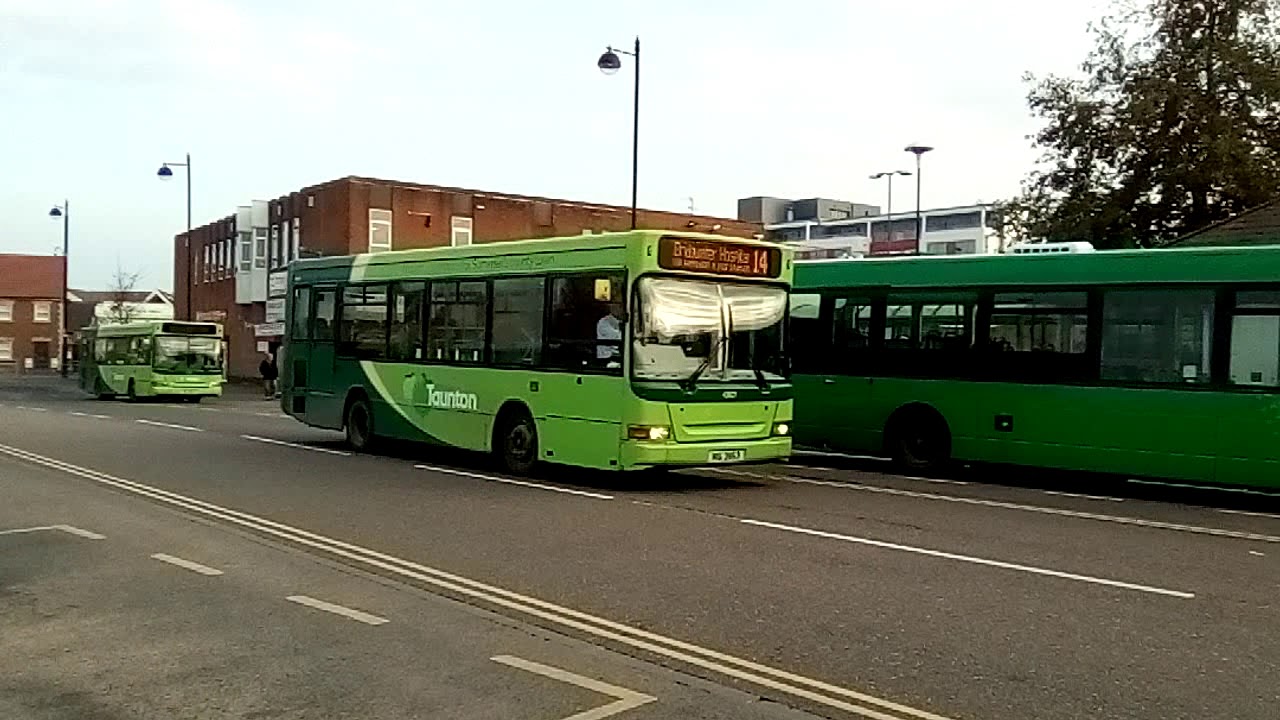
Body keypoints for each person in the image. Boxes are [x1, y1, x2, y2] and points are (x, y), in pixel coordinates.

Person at [596, 301, 624, 368]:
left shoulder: (622, 322)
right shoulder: (604, 322)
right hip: (606, 359)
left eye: (622, 307)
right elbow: (619, 338)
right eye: (619, 306)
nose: (621, 309)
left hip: (619, 357)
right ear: (611, 308)